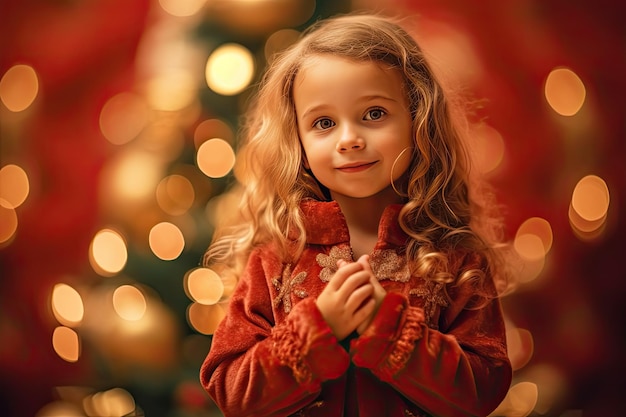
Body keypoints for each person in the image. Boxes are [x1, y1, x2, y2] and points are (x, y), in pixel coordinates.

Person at [200, 12, 513, 417]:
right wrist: (316, 331)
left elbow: (482, 390)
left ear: (419, 120)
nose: (349, 139)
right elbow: (232, 391)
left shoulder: (455, 257)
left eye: (374, 114)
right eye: (324, 123)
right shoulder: (276, 255)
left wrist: (392, 331)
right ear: (297, 139)